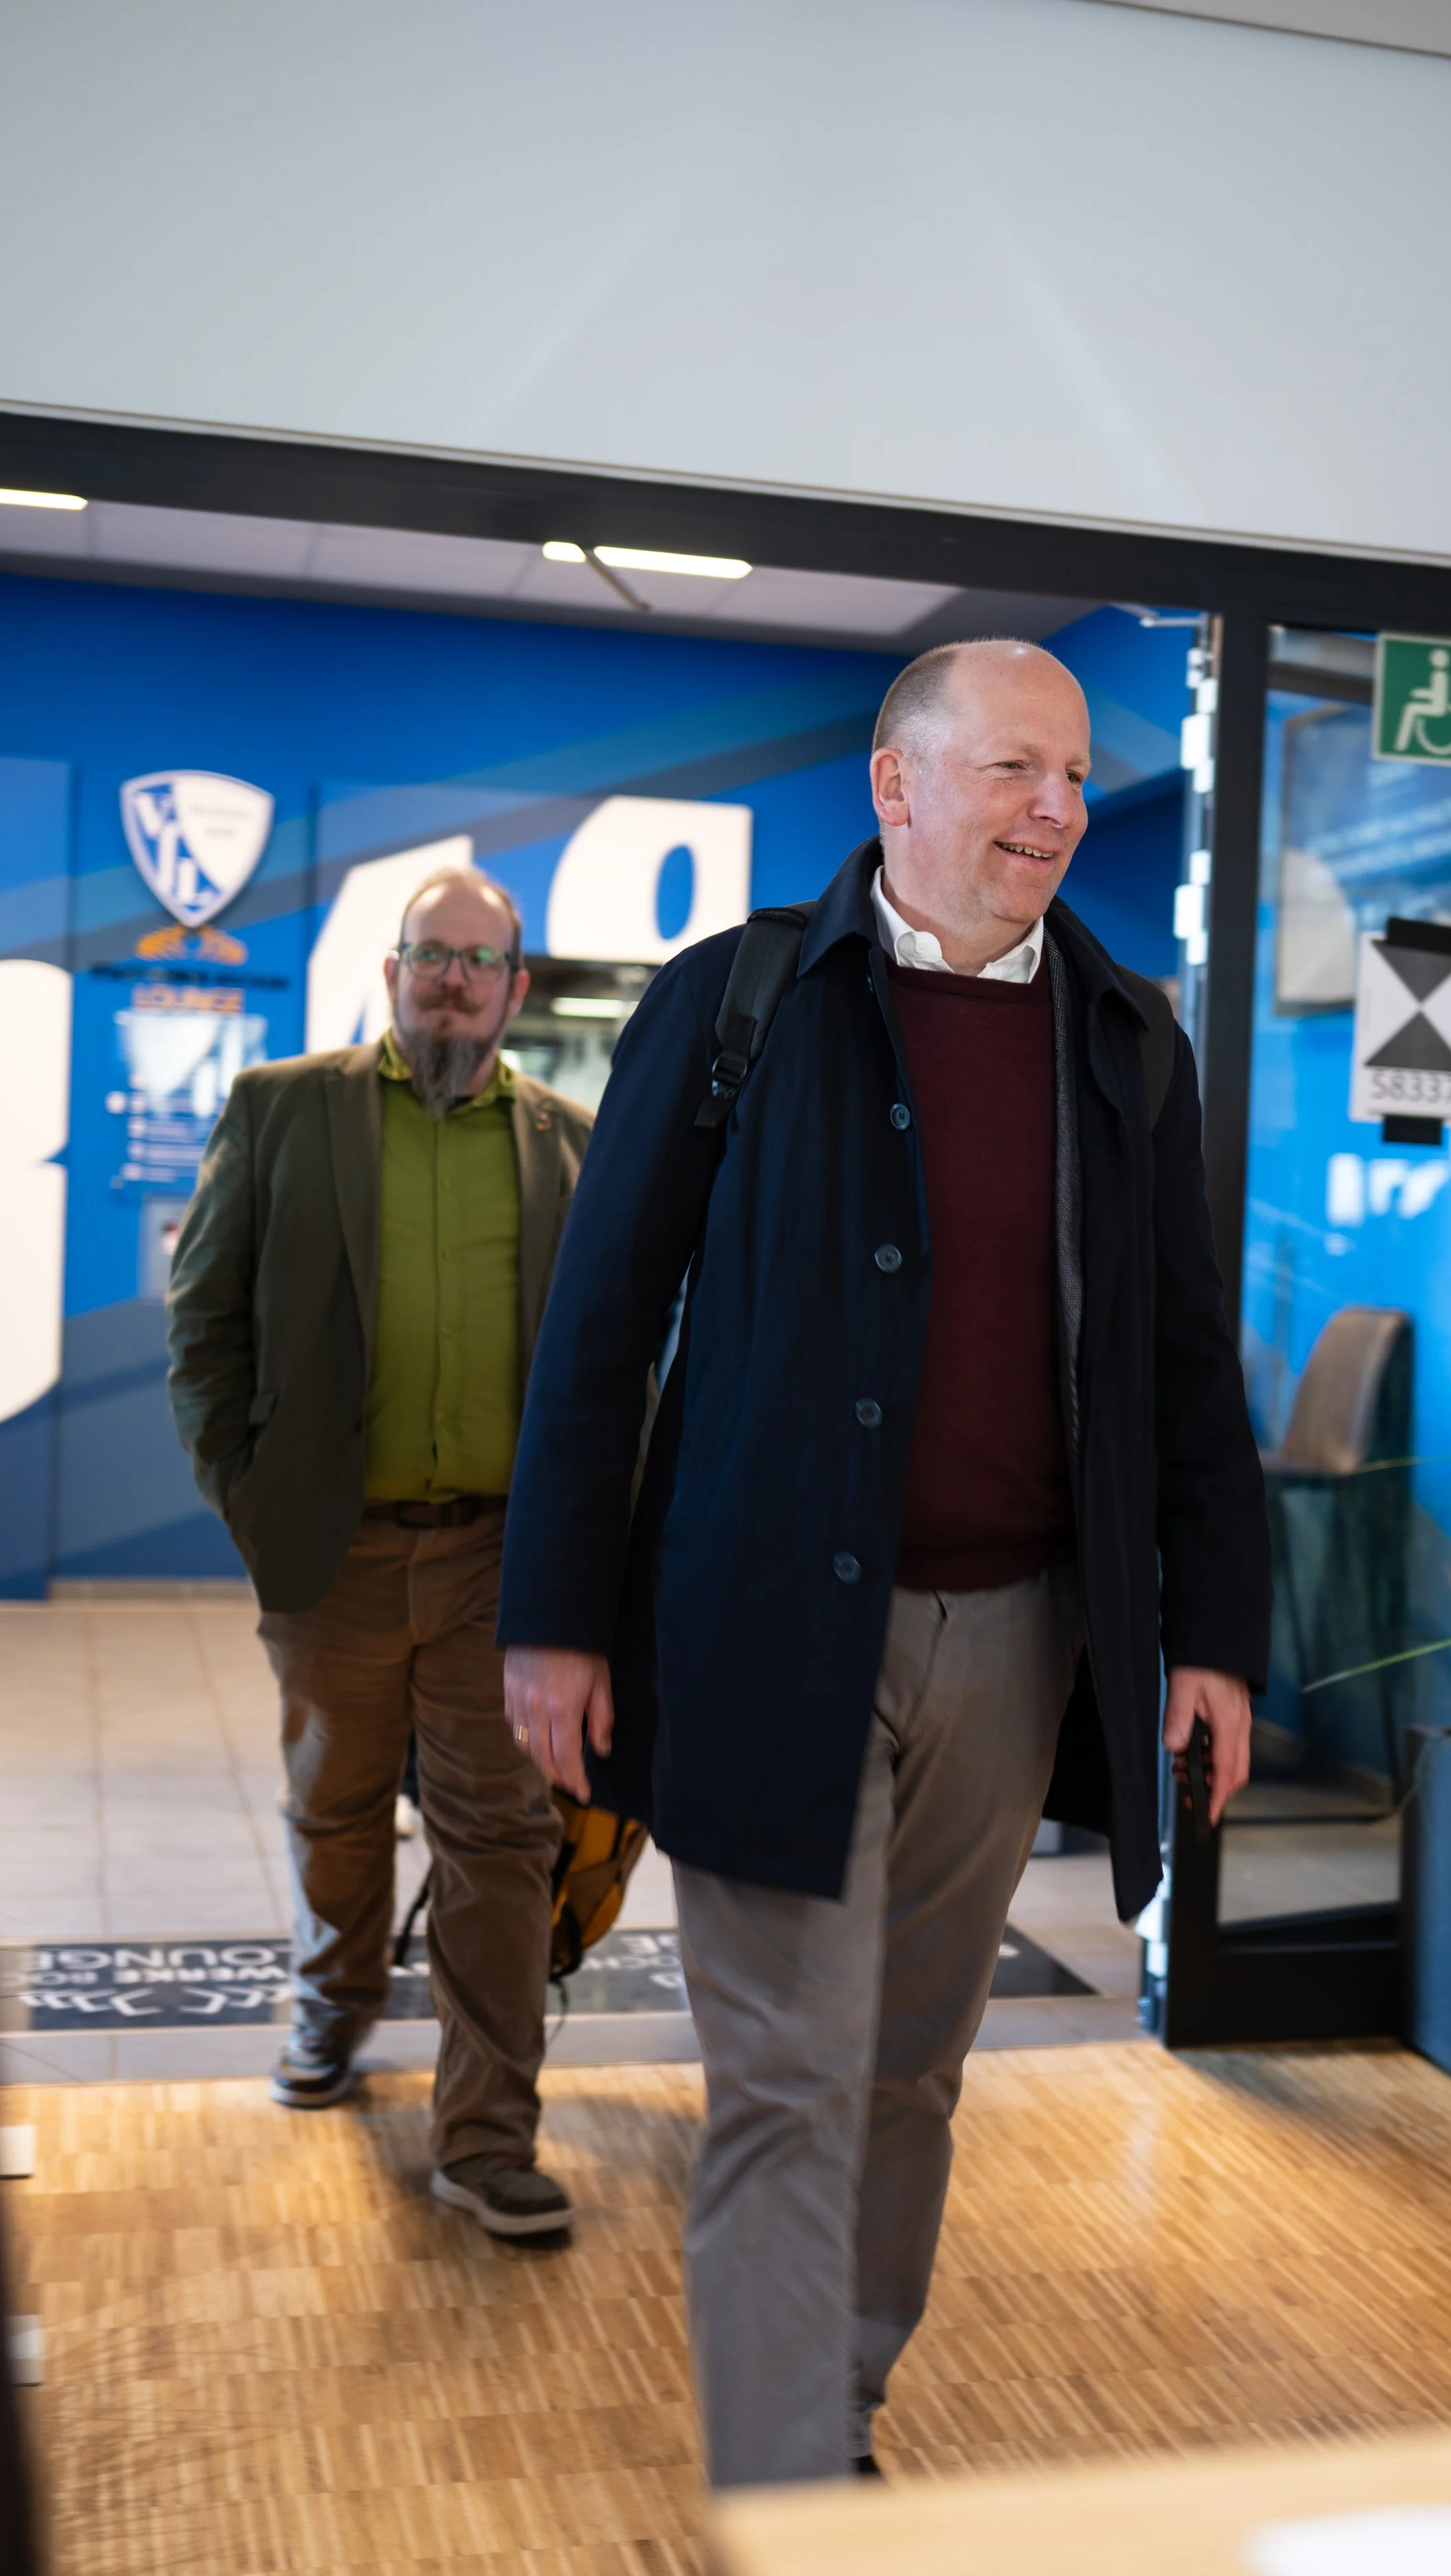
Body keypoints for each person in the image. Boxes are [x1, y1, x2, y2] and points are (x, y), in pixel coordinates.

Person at [499, 640, 1272, 2472]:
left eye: (1071, 774)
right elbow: (598, 1329)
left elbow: (1180, 1362)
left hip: (1015, 1639)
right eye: (1014, 769)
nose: (1058, 809)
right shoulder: (741, 997)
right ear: (895, 785)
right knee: (785, 2075)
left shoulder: (1126, 1035)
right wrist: (555, 1616)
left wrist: (1213, 1634)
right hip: (768, 1625)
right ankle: (783, 2491)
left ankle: (836, 2393)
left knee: (911, 2064)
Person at [167, 866, 590, 2239]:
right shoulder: (284, 1109)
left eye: (480, 959)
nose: (453, 979)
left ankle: (487, 2137)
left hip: (502, 1561)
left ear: (516, 986)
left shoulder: (573, 1143)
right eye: (431, 954)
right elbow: (204, 1321)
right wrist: (250, 1496)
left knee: (501, 1838)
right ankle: (330, 2008)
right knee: (336, 1804)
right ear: (395, 971)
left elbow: (614, 1359)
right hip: (335, 1550)